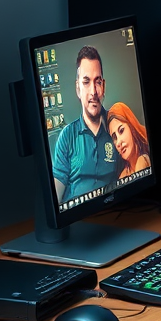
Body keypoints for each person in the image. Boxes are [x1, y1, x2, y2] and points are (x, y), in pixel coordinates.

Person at [52, 45, 122, 203]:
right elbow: (56, 198)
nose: (93, 92)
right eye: (86, 82)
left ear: (103, 86)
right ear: (78, 88)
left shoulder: (116, 128)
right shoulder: (67, 136)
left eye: (97, 82)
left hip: (112, 214)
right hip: (77, 218)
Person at [107, 101, 151, 178]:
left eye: (121, 131)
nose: (118, 143)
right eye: (115, 138)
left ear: (131, 127)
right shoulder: (123, 177)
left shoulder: (145, 158)